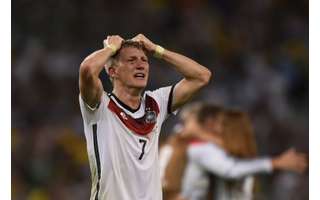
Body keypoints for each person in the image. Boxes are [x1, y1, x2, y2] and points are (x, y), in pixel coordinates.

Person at [78, 34, 211, 200]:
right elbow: (87, 70)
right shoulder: (100, 105)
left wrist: (157, 50)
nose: (141, 65)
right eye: (132, 61)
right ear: (113, 71)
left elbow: (202, 76)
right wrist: (110, 48)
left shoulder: (156, 103)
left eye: (144, 60)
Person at [179, 104, 307, 200]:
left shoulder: (231, 153)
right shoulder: (199, 149)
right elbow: (230, 170)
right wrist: (275, 162)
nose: (217, 128)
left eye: (221, 124)